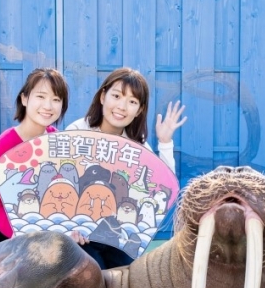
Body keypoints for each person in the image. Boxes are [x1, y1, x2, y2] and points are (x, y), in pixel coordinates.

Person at [65, 67, 187, 269]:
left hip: (118, 236)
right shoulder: (78, 131)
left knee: (128, 278)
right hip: (82, 234)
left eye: (132, 102)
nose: (122, 106)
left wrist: (165, 142)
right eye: (116, 96)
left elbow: (162, 189)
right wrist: (70, 228)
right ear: (103, 96)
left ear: (139, 110)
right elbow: (64, 179)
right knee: (90, 275)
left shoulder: (136, 146)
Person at [0, 68, 71, 249]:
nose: (48, 106)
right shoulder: (3, 146)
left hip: (41, 231)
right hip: (4, 233)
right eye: (41, 97)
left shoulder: (58, 142)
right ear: (24, 98)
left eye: (56, 99)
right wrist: (20, 233)